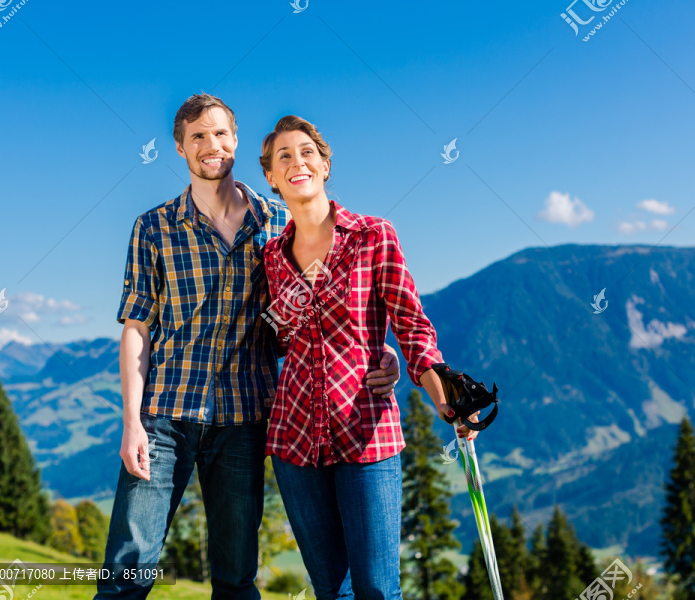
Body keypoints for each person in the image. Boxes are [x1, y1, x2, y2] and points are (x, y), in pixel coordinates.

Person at [95, 95, 402, 600]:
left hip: (244, 417)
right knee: (127, 568)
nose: (210, 145)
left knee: (236, 577)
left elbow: (320, 310)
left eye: (219, 134)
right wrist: (132, 422)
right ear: (179, 148)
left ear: (235, 141)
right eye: (197, 136)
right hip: (164, 415)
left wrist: (378, 349)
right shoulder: (153, 227)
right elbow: (136, 327)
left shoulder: (277, 224)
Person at [259, 115, 480, 600]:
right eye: (283, 157)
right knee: (331, 592)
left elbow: (412, 326)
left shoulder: (373, 236)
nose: (298, 162)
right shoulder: (271, 259)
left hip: (367, 435)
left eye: (307, 152)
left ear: (325, 165)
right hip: (294, 442)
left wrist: (444, 396)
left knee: (378, 590)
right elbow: (272, 341)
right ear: (271, 178)